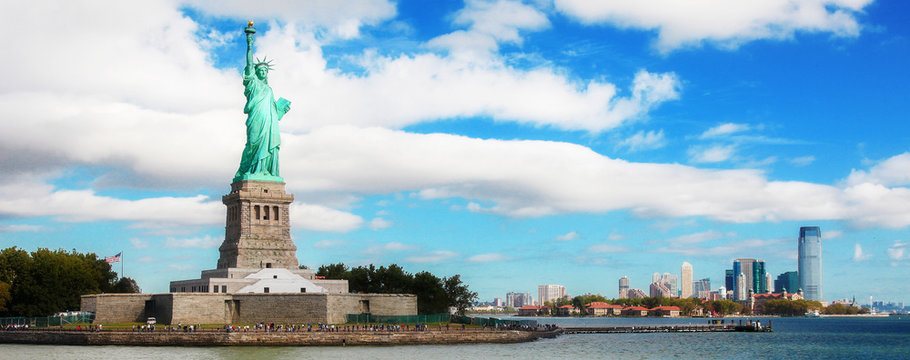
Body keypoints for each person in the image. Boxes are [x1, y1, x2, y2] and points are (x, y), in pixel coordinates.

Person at [234, 22, 291, 182]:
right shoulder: (253, 84)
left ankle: (266, 171)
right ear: (256, 72)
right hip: (256, 118)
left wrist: (281, 109)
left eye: (266, 70)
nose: (263, 72)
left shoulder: (270, 89)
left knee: (269, 146)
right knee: (253, 144)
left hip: (270, 121)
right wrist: (249, 43)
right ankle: (250, 170)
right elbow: (249, 64)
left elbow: (274, 109)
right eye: (261, 70)